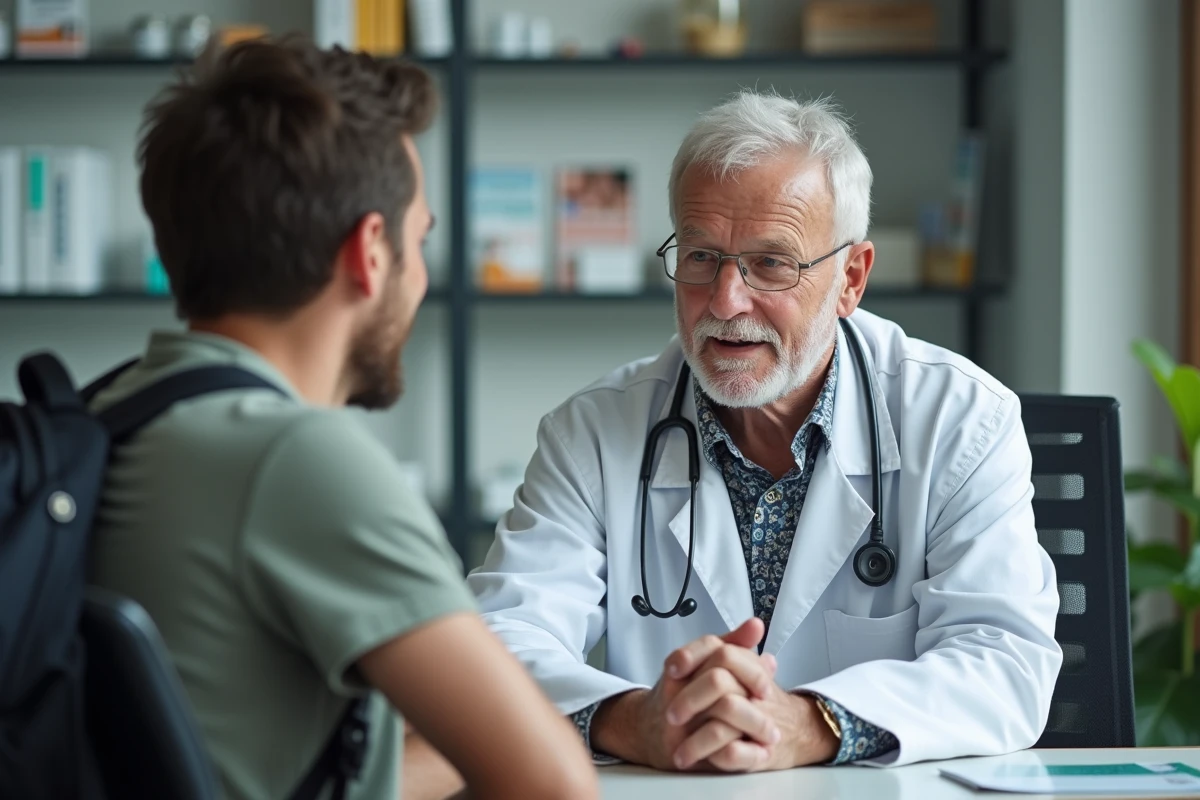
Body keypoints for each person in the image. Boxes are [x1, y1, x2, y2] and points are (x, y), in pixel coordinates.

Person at [468, 91, 1063, 772]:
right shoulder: (595, 431)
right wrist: (637, 722)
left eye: (771, 263)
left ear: (851, 279)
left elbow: (1003, 661)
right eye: (700, 257)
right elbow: (496, 645)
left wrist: (808, 723)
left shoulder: (959, 420)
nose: (724, 301)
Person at [88, 38, 597, 800]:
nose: (421, 274)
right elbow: (553, 782)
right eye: (417, 239)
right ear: (368, 252)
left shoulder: (112, 413)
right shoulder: (296, 458)